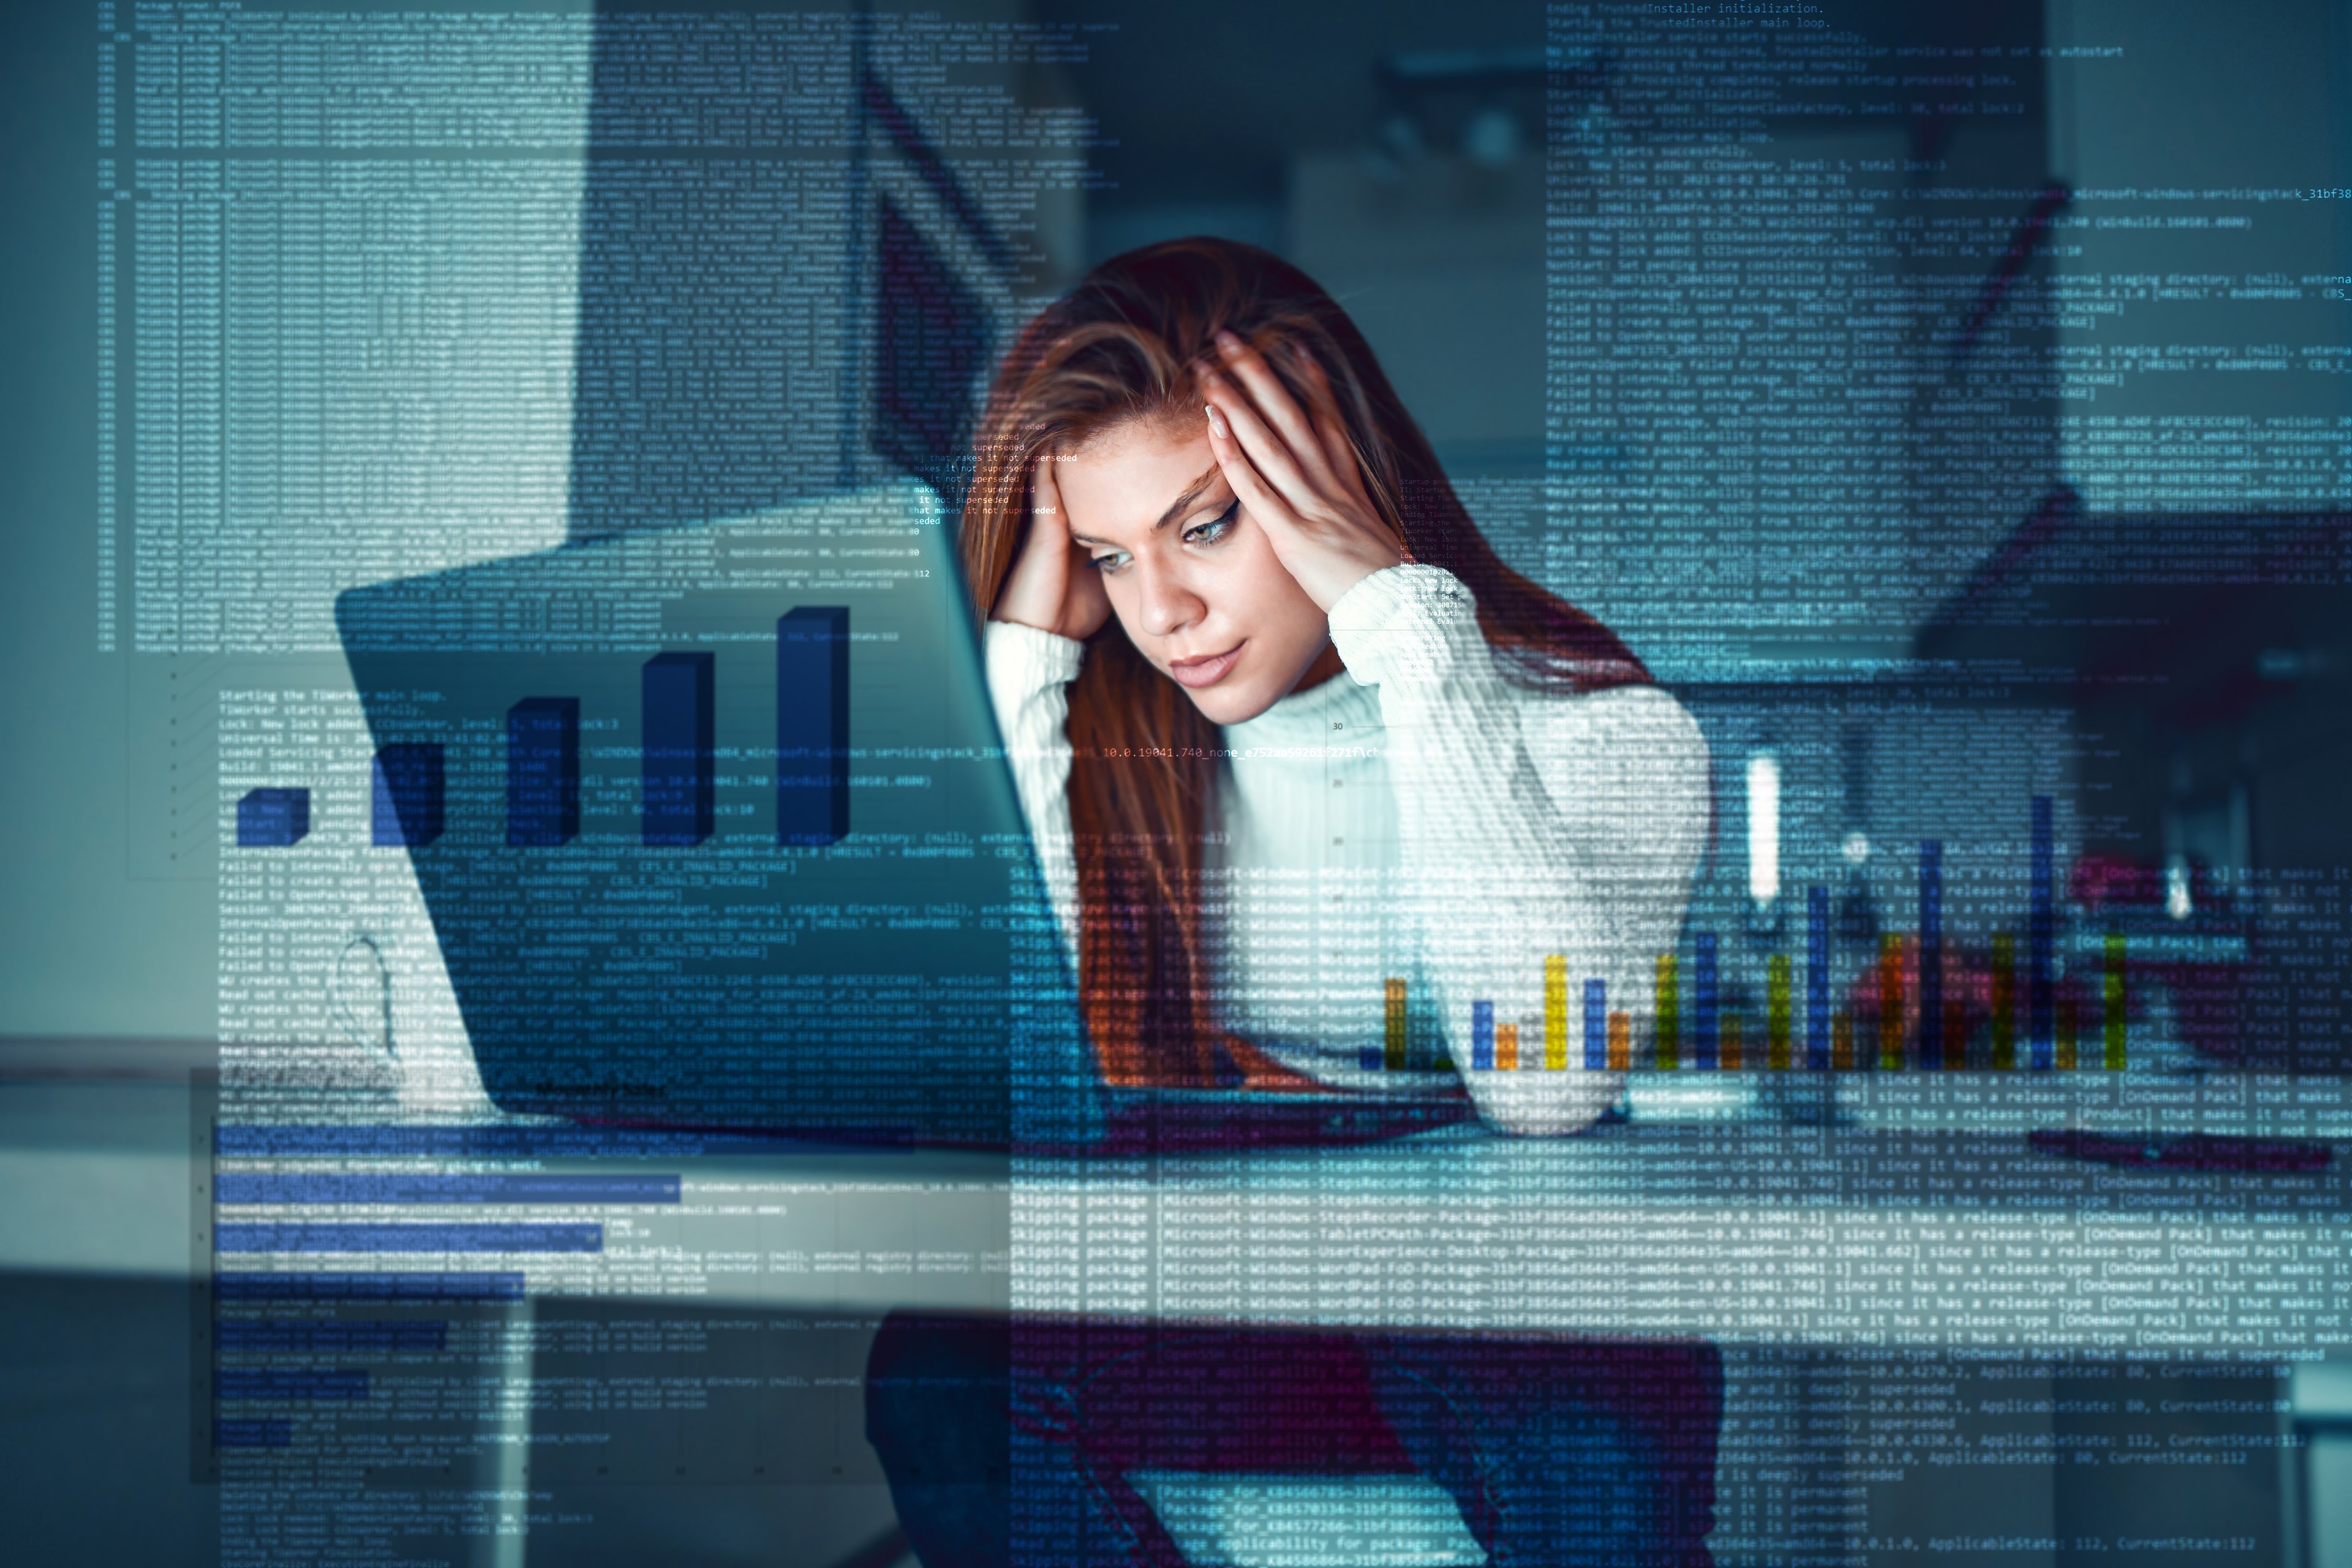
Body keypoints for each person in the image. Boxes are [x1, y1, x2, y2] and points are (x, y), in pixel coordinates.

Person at [963, 236, 1710, 1137]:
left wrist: (1405, 620)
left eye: (1204, 528)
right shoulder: (1108, 740)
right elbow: (981, 1074)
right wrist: (1021, 666)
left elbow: (1546, 1087)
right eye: (1109, 558)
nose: (1159, 612)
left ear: (1342, 478)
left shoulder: (1617, 744)